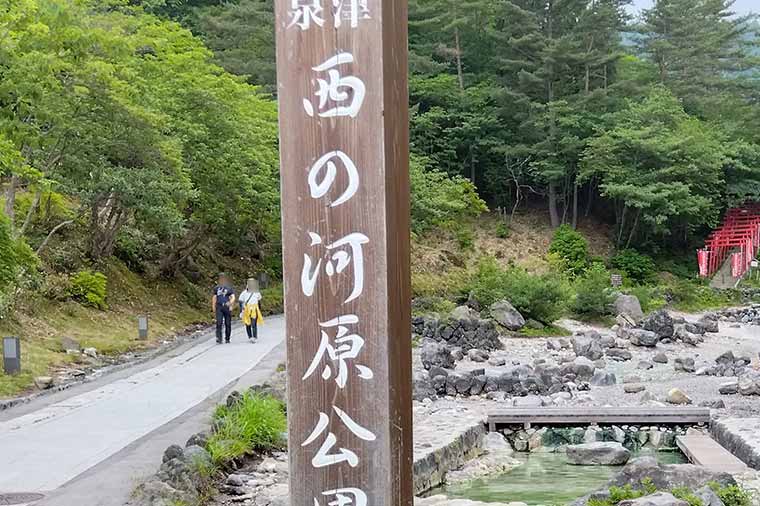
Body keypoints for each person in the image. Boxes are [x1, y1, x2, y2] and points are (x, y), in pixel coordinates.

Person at [212, 273, 236, 344]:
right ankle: (219, 338)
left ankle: (227, 338)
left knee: (227, 323)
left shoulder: (229, 288)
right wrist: (213, 306)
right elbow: (214, 297)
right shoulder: (216, 288)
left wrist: (230, 303)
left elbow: (233, 297)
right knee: (219, 322)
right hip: (219, 306)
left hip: (227, 307)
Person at [239, 278, 263, 342]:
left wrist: (260, 310)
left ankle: (254, 337)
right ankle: (250, 336)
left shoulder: (257, 292)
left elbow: (259, 301)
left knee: (253, 323)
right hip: (246, 309)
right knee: (247, 323)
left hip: (255, 309)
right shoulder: (244, 293)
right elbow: (240, 302)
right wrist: (241, 311)